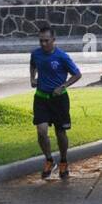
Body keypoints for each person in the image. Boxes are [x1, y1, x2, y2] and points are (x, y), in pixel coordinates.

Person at [29, 24, 82, 181]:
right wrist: (32, 78)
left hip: (59, 100)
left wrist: (63, 86)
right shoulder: (36, 54)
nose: (43, 44)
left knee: (61, 132)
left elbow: (77, 74)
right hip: (41, 98)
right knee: (41, 131)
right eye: (41, 41)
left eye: (46, 40)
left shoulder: (62, 56)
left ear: (54, 40)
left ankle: (64, 161)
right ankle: (49, 160)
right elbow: (32, 65)